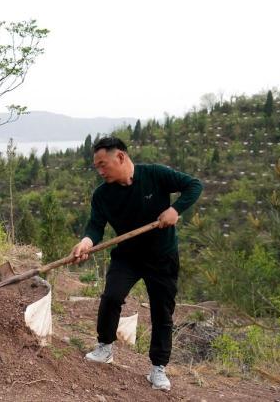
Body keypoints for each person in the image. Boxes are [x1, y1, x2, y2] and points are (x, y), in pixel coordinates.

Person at [71, 137, 202, 391]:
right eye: (96, 166)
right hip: (128, 257)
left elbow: (194, 185)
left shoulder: (155, 175)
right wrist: (86, 242)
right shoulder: (102, 195)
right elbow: (95, 227)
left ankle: (157, 369)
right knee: (111, 297)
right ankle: (105, 347)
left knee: (162, 313)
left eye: (103, 164)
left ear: (120, 157)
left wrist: (176, 210)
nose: (99, 171)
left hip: (162, 258)